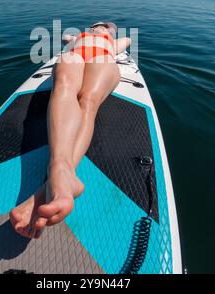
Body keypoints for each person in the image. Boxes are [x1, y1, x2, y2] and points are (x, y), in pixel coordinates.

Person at [10, 22, 131, 238]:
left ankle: (47, 186)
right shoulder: (78, 37)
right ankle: (62, 174)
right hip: (75, 55)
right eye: (96, 26)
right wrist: (75, 38)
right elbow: (66, 38)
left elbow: (127, 42)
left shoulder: (114, 40)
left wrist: (110, 36)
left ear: (111, 31)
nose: (99, 27)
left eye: (104, 27)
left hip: (102, 56)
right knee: (63, 86)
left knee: (88, 100)